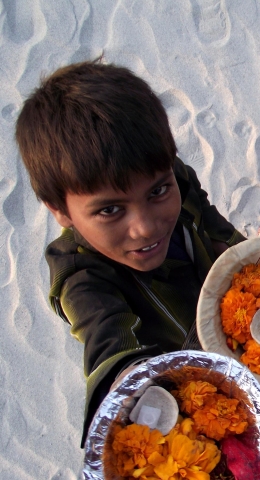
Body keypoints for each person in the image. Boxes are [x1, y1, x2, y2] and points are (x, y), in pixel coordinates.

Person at [15, 59, 244, 446]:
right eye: (110, 210)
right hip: (181, 380)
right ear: (60, 210)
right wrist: (128, 379)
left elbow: (213, 225)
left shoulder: (174, 175)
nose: (146, 226)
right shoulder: (81, 277)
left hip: (232, 327)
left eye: (157, 192)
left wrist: (248, 266)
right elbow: (107, 343)